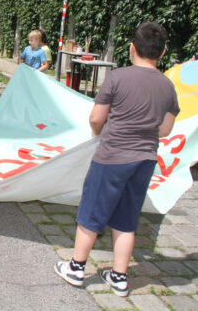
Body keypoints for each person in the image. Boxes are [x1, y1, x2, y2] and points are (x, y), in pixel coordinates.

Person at [54, 22, 179, 297]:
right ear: (163, 51)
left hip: (112, 156)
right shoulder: (168, 86)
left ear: (131, 47)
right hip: (145, 159)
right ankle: (119, 277)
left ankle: (76, 267)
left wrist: (97, 134)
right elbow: (166, 129)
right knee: (126, 219)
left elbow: (96, 117)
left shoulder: (117, 77)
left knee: (91, 213)